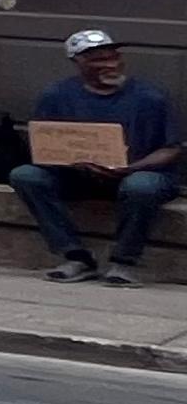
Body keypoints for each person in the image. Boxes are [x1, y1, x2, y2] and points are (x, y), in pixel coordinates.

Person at [9, 29, 179, 283]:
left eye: (113, 58)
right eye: (98, 60)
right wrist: (75, 163)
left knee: (142, 185)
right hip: (78, 175)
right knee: (25, 175)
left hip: (135, 176)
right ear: (78, 63)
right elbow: (44, 146)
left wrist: (131, 168)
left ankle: (123, 262)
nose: (110, 64)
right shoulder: (56, 96)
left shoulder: (151, 97)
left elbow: (172, 149)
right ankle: (75, 256)